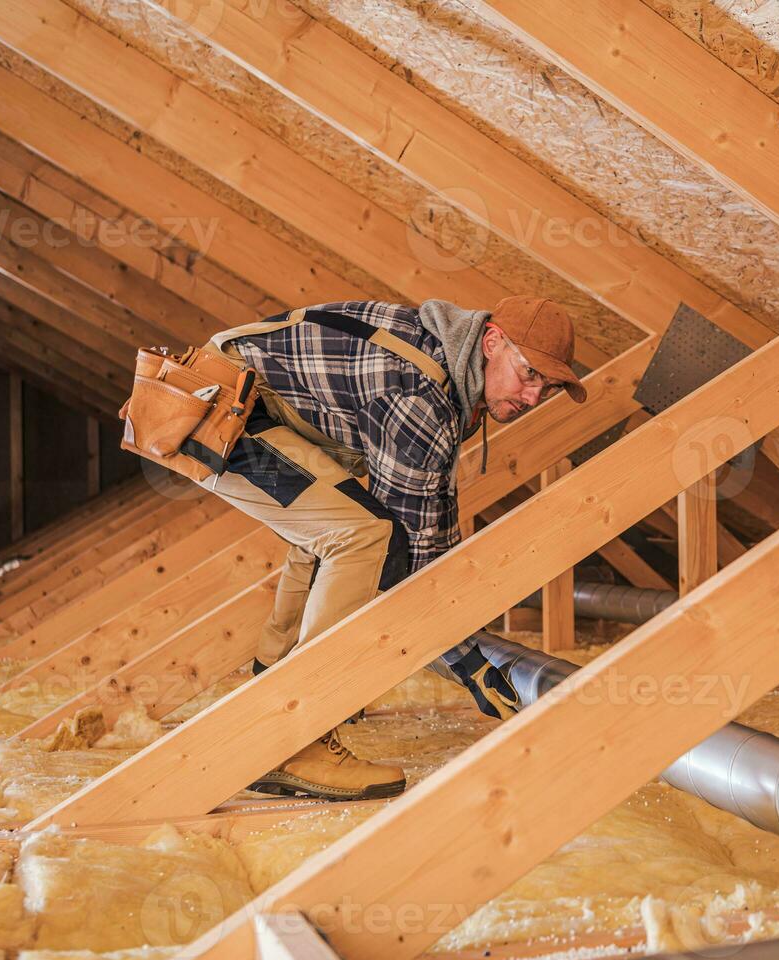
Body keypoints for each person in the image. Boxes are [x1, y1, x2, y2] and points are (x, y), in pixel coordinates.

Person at [200, 296, 587, 800]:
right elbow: (414, 554)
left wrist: (465, 638)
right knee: (363, 538)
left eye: (548, 386)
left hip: (231, 399)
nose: (533, 396)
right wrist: (468, 661)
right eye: (528, 374)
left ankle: (267, 698)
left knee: (344, 530)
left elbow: (433, 519)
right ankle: (297, 737)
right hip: (217, 407)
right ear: (492, 342)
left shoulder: (447, 367)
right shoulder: (419, 395)